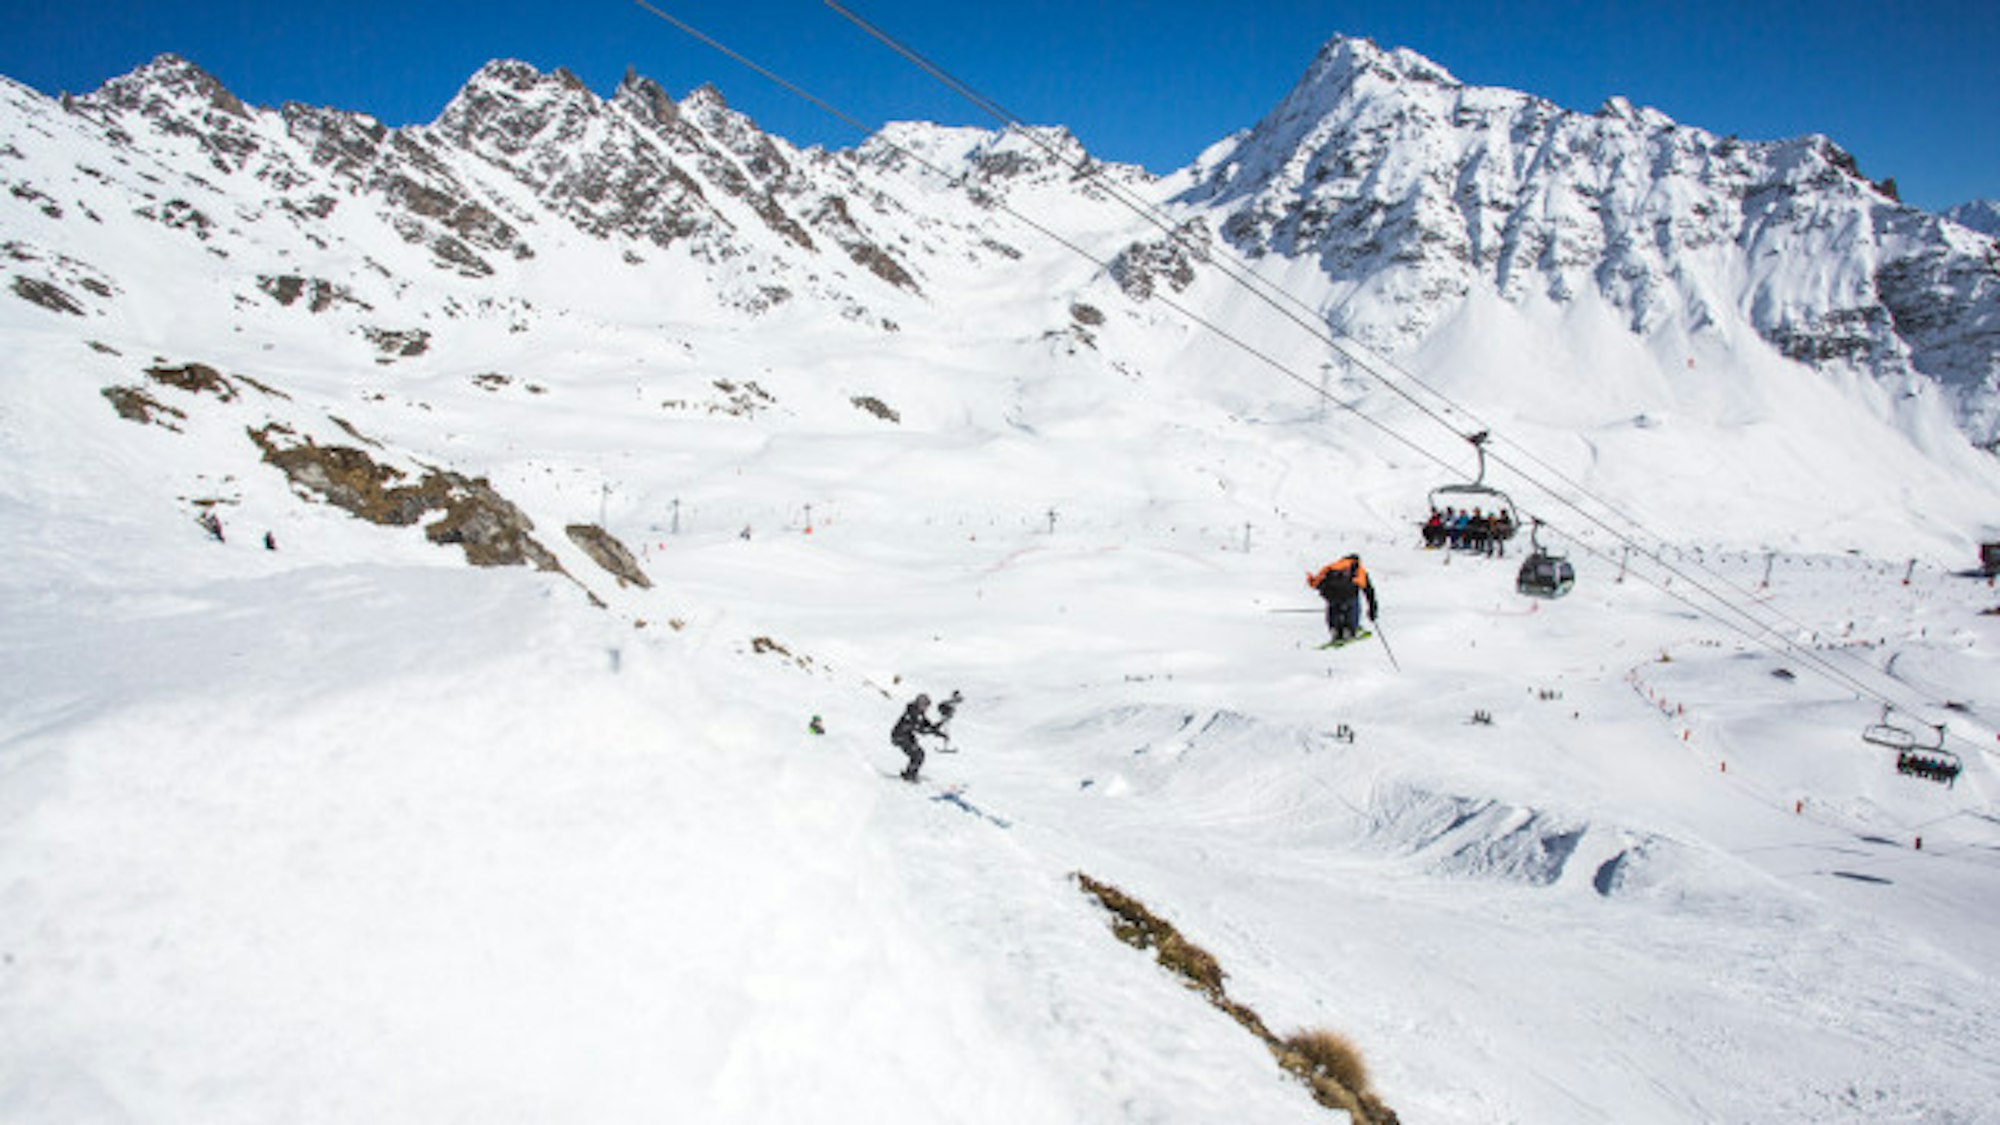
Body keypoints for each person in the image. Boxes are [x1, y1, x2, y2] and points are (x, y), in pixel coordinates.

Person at [1307, 553, 1380, 643]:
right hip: (1348, 592)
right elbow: (1369, 591)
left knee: (1334, 607)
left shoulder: (1333, 566)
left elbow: (1316, 583)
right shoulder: (1358, 568)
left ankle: (1335, 629)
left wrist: (1311, 580)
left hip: (1331, 593)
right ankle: (1349, 629)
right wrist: (1373, 611)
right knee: (1352, 607)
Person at [892, 693, 944, 782]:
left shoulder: (918, 712)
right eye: (925, 705)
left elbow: (926, 724)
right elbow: (919, 728)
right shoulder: (913, 712)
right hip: (900, 736)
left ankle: (910, 773)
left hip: (906, 735)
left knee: (918, 754)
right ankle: (910, 775)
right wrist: (930, 730)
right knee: (918, 754)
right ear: (920, 704)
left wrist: (936, 729)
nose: (926, 708)